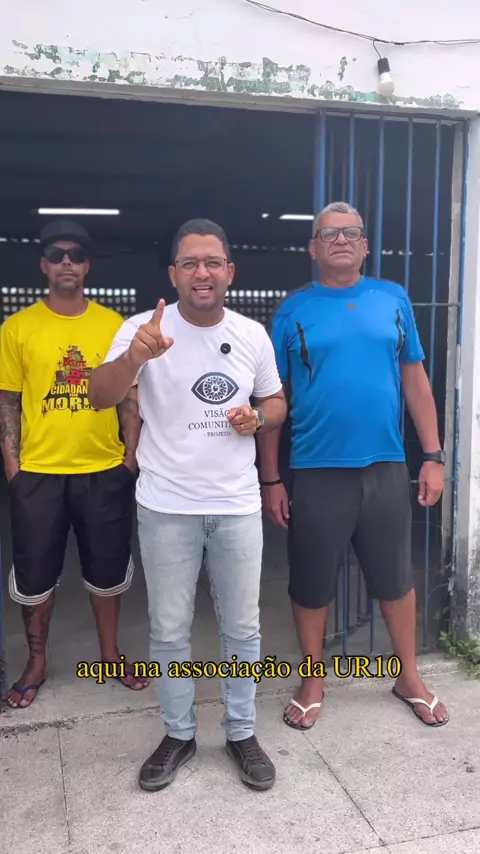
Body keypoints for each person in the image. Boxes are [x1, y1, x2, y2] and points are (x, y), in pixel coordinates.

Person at [88, 218, 287, 792]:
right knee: (170, 630)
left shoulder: (251, 334)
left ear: (230, 272)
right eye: (191, 263)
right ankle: (179, 734)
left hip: (236, 506)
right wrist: (134, 359)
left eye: (213, 262)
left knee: (243, 628)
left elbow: (277, 402)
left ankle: (242, 731)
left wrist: (258, 416)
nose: (203, 272)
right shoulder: (141, 329)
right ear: (174, 273)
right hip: (166, 506)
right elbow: (99, 396)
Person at [257, 201, 449, 731]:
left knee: (395, 579)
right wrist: (270, 478)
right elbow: (274, 398)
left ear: (365, 246)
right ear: (313, 248)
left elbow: (415, 380)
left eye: (351, 232)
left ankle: (408, 676)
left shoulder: (392, 299)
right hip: (316, 470)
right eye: (329, 233)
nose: (340, 239)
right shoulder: (293, 311)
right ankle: (313, 680)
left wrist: (433, 457)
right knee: (311, 582)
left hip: (385, 466)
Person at [0, 219, 148, 709]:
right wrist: (14, 468)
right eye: (57, 255)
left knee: (107, 572)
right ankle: (36, 662)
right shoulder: (17, 328)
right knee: (35, 576)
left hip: (103, 469)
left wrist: (130, 457)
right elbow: (8, 400)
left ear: (87, 266)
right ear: (43, 265)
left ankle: (109, 654)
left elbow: (130, 396)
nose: (67, 262)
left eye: (77, 255)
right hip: (38, 473)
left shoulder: (113, 326)